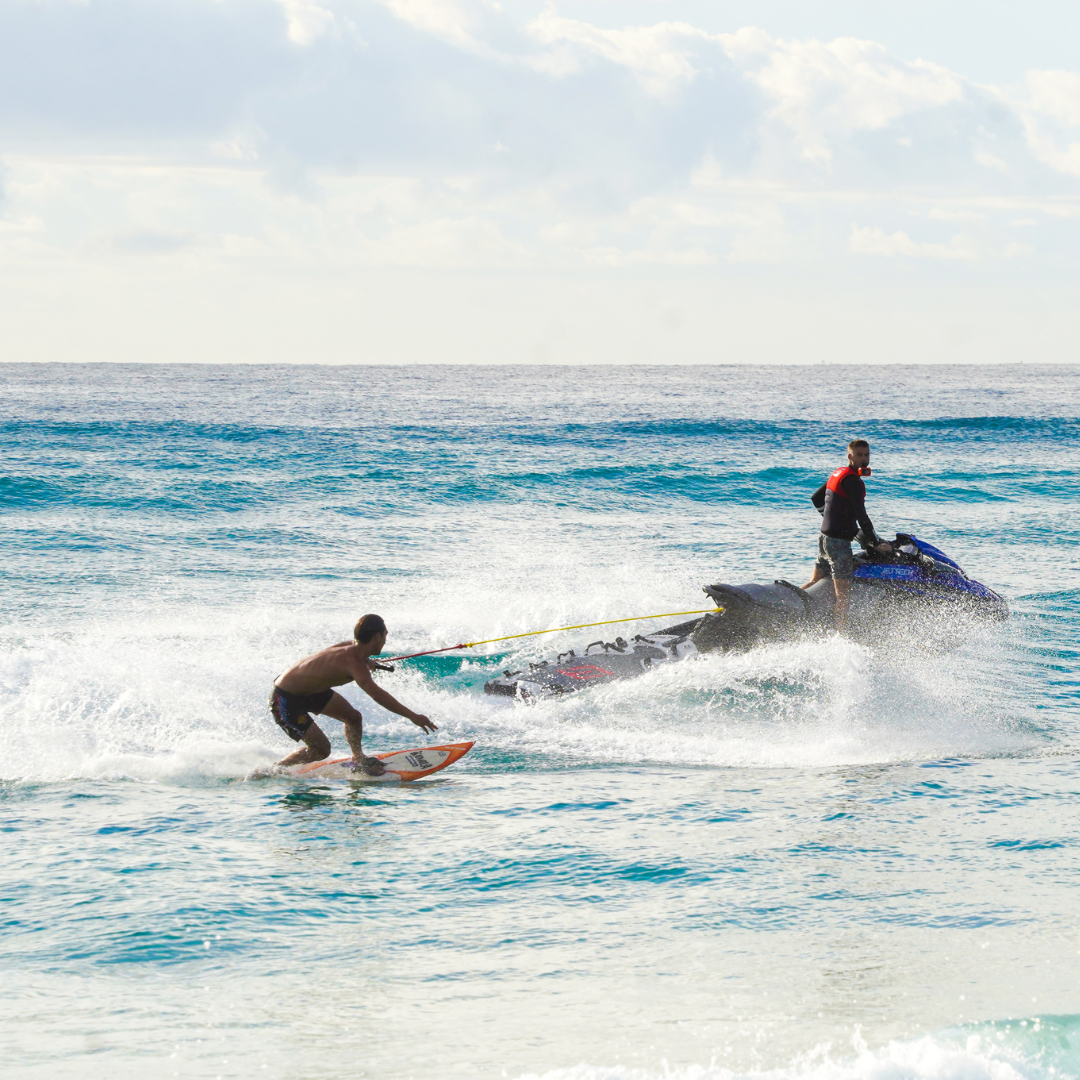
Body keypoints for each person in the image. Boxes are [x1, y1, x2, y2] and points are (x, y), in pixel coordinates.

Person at [269, 613, 437, 774]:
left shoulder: (351, 648)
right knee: (321, 750)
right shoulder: (355, 663)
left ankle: (358, 759)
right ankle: (275, 770)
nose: (386, 640)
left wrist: (367, 660)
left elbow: (350, 659)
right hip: (285, 699)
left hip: (310, 692)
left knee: (353, 718)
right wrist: (413, 716)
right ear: (377, 637)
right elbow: (378, 695)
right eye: (385, 635)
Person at [801, 439, 893, 631]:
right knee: (842, 596)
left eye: (867, 455)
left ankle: (790, 605)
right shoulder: (854, 482)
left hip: (825, 539)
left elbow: (817, 498)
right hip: (839, 544)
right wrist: (875, 542)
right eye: (859, 455)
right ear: (850, 456)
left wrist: (829, 517)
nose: (864, 459)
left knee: (814, 582)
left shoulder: (839, 473)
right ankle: (839, 637)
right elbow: (861, 515)